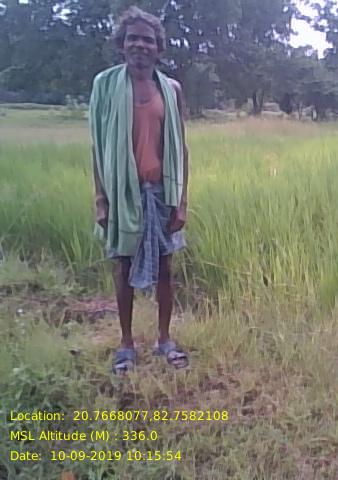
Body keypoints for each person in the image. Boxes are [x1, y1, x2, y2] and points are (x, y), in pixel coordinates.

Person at [89, 6, 190, 374]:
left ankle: (164, 340)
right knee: (123, 266)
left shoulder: (171, 89)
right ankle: (126, 344)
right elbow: (98, 147)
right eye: (133, 38)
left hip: (161, 193)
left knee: (166, 266)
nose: (140, 45)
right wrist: (101, 199)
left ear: (158, 48)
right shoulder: (105, 85)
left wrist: (181, 202)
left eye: (148, 40)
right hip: (122, 194)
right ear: (122, 44)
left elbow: (181, 148)